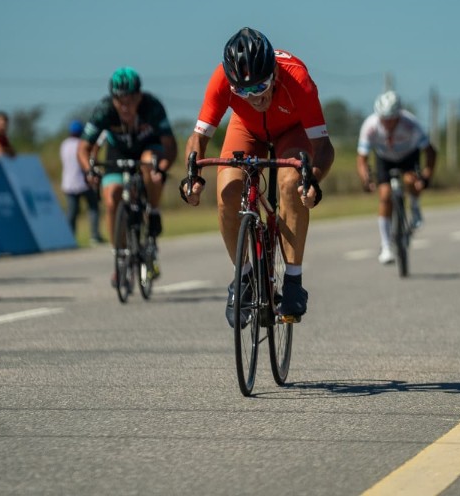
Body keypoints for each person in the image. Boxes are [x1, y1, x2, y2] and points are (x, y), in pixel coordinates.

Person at [181, 27, 334, 326]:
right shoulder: (220, 80)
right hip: (247, 129)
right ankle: (245, 277)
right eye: (243, 91)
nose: (255, 97)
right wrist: (192, 175)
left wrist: (312, 179)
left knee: (291, 182)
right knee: (228, 192)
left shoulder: (297, 78)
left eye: (261, 86)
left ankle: (292, 281)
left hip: (292, 131)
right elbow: (198, 139)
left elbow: (324, 148)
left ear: (274, 73)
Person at [77, 67, 177, 286]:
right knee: (111, 196)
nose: (125, 106)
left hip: (148, 147)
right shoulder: (104, 109)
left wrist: (161, 168)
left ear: (139, 96)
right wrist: (89, 170)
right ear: (112, 99)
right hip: (118, 152)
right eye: (119, 100)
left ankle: (153, 211)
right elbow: (84, 147)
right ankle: (119, 254)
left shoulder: (152, 107)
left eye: (130, 100)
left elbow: (170, 147)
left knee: (149, 162)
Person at [356, 90, 437, 264]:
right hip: (384, 158)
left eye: (391, 118)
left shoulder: (411, 124)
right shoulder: (370, 125)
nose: (387, 122)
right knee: (384, 195)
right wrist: (366, 179)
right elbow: (362, 158)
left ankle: (414, 207)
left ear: (399, 115)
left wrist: (426, 176)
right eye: (383, 118)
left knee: (410, 181)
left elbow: (430, 152)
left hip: (408, 156)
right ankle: (386, 246)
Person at [60, 119, 103, 244]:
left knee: (72, 212)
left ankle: (70, 237)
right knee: (93, 208)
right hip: (84, 182)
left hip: (68, 183)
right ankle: (94, 236)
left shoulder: (64, 144)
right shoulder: (82, 144)